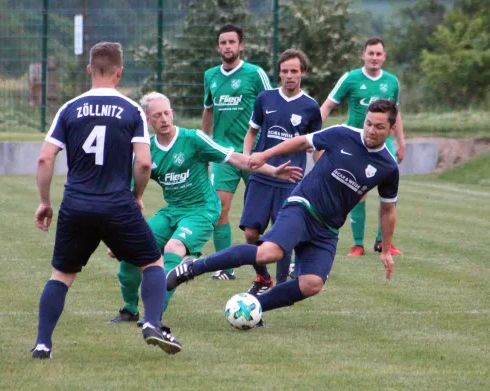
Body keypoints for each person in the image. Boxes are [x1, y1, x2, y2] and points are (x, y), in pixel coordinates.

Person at [167, 99, 400, 321]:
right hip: (303, 206)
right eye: (368, 123)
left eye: (379, 127)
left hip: (328, 228)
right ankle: (193, 268)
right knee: (269, 252)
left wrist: (386, 250)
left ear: (391, 129)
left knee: (312, 284)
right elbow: (301, 142)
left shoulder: (388, 167)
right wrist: (265, 155)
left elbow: (387, 209)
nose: (370, 130)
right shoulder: (342, 134)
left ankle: (255, 306)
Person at [31, 42, 182, 358]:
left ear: (89, 70)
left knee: (61, 275)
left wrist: (45, 202)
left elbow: (45, 159)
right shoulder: (131, 111)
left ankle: (43, 343)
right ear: (120, 72)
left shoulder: (69, 108)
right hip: (117, 204)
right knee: (152, 261)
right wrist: (137, 196)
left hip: (76, 205)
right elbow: (143, 163)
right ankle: (152, 322)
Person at [109, 92, 303, 325]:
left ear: (172, 113)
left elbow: (235, 159)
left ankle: (154, 315)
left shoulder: (193, 139)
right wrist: (119, 236)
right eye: (157, 115)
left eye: (167, 113)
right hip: (172, 211)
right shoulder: (147, 151)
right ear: (148, 121)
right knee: (131, 255)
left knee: (173, 248)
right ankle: (130, 309)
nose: (163, 119)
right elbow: (128, 196)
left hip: (202, 211)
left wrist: (272, 170)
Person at [240, 49, 322, 296]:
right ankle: (263, 278)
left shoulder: (310, 107)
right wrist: (247, 156)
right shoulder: (265, 99)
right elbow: (252, 132)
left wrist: (323, 171)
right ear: (279, 73)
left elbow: (316, 146)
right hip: (262, 176)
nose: (289, 75)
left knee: (282, 236)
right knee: (251, 233)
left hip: (290, 180)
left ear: (302, 73)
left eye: (294, 71)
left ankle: (281, 285)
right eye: (285, 71)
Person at [320, 37, 405, 257]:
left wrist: (401, 142)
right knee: (359, 193)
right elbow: (328, 105)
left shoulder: (392, 82)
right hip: (356, 145)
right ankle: (357, 244)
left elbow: (396, 115)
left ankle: (382, 242)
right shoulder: (350, 79)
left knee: (389, 195)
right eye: (371, 53)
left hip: (384, 145)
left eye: (379, 54)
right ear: (363, 55)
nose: (375, 58)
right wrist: (315, 134)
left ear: (384, 57)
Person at [202, 23, 272, 280]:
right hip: (224, 155)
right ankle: (225, 268)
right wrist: (206, 145)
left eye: (232, 42)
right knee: (219, 208)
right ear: (218, 47)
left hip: (255, 154)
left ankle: (285, 260)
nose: (227, 47)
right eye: (223, 42)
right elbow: (208, 110)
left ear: (241, 45)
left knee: (269, 212)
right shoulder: (210, 75)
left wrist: (270, 148)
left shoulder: (255, 74)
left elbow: (272, 107)